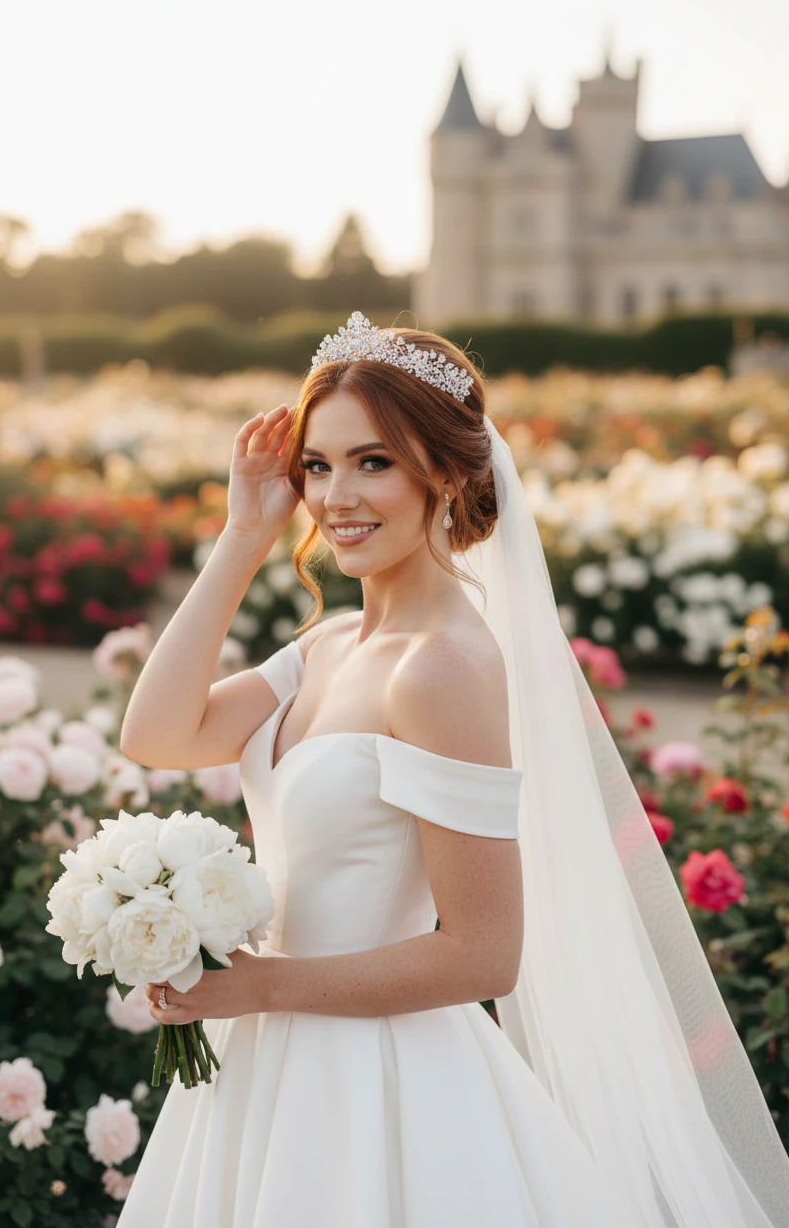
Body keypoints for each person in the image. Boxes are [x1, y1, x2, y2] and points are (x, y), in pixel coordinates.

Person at [116, 313, 789, 1227]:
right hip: (261, 1063)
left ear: (445, 471)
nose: (337, 496)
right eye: (317, 465)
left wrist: (259, 985)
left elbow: (483, 954)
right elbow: (155, 733)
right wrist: (241, 535)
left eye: (373, 462)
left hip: (374, 1083)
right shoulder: (328, 646)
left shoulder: (441, 668)